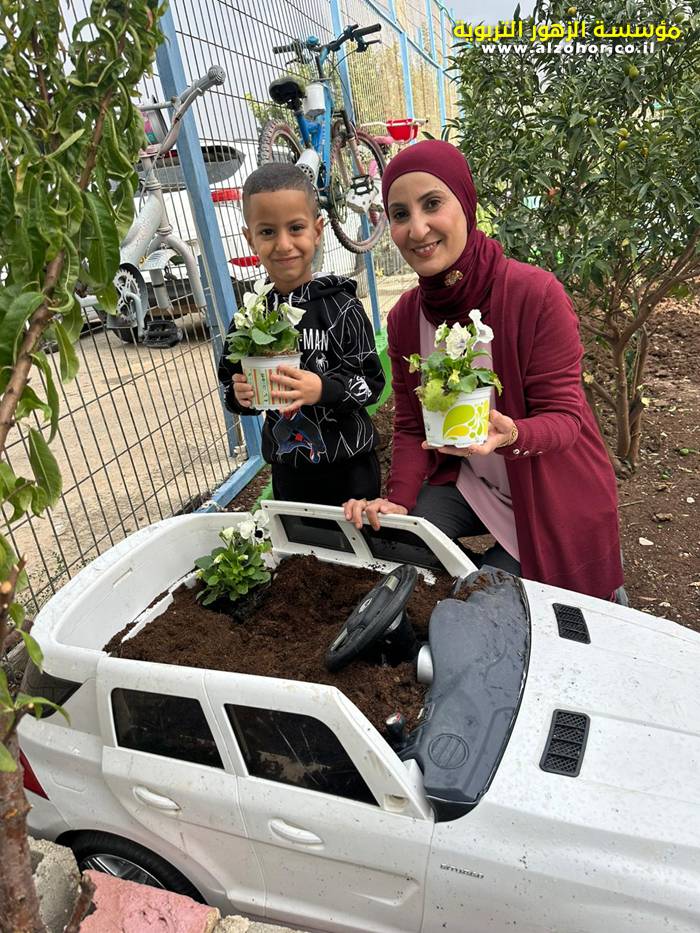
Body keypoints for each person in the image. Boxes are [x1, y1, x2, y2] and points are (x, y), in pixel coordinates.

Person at [343, 140, 625, 601]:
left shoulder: (534, 294)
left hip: (549, 488)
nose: (417, 228)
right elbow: (413, 425)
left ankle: (594, 595)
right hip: (475, 483)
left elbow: (566, 418)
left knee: (488, 598)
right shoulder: (406, 318)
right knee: (401, 546)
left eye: (432, 204)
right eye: (400, 214)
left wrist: (512, 434)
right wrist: (398, 499)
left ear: (466, 204)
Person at [218, 162, 385, 506]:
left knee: (358, 537)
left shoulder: (342, 307)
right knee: (298, 539)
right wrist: (240, 396)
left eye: (296, 228)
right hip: (288, 469)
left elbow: (372, 384)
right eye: (267, 232)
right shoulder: (251, 315)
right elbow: (229, 384)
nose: (283, 244)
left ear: (317, 230)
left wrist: (322, 389)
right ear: (250, 238)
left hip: (350, 467)